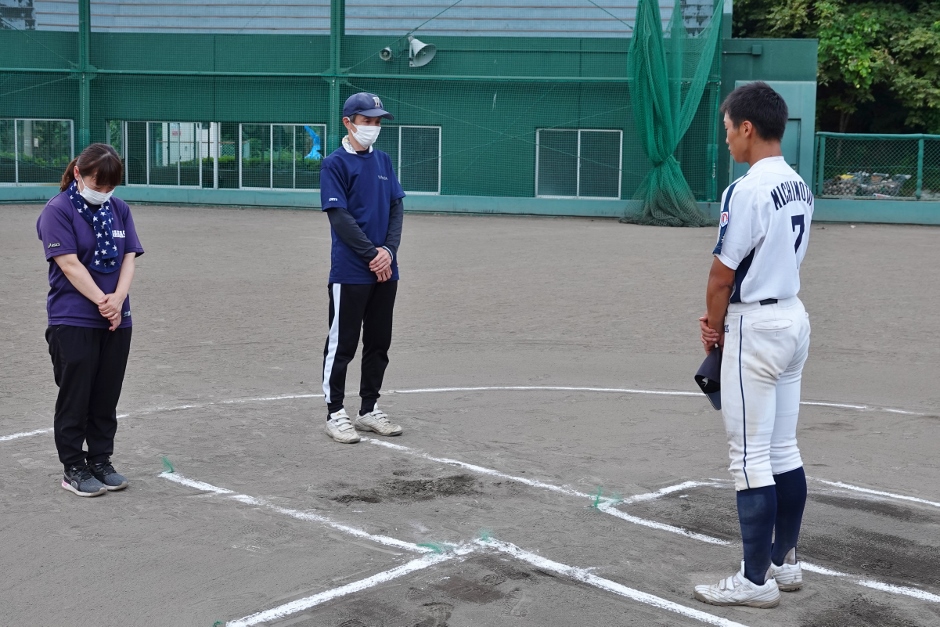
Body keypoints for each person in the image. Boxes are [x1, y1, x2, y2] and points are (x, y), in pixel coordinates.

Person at [694, 82, 813, 608]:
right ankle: (784, 562)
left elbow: (721, 276)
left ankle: (754, 581)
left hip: (756, 327)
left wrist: (714, 329)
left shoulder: (746, 189)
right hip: (792, 318)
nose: (727, 139)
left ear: (747, 127)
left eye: (728, 129)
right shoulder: (798, 184)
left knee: (748, 459)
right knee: (783, 449)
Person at [37, 143, 144, 497]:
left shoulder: (120, 209)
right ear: (78, 174)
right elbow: (69, 264)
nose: (105, 192)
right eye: (98, 185)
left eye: (111, 186)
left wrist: (118, 300)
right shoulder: (58, 210)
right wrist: (103, 301)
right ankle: (73, 467)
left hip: (116, 318)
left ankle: (100, 460)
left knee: (106, 395)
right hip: (74, 317)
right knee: (76, 395)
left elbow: (129, 257)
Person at [319, 92, 405, 443]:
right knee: (342, 344)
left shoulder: (384, 161)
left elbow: (396, 208)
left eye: (377, 121)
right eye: (367, 120)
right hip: (351, 271)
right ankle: (335, 413)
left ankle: (369, 409)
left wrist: (388, 251)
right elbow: (340, 217)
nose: (373, 126)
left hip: (386, 269)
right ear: (348, 122)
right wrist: (372, 255)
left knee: (379, 343)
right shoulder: (334, 164)